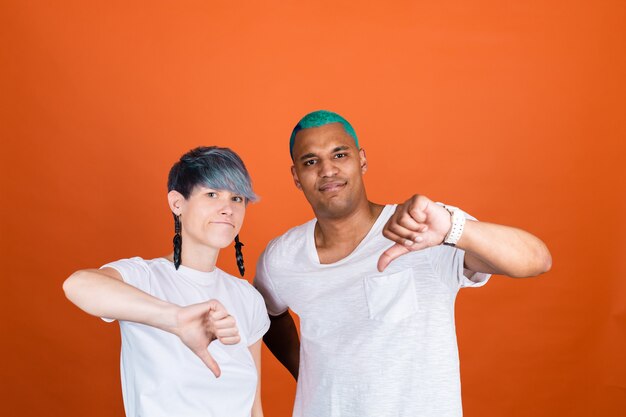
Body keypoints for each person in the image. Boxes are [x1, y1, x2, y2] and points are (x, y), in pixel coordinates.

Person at [254, 110, 552, 417]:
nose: (327, 170)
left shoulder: (424, 228)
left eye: (339, 154)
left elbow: (537, 260)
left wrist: (453, 228)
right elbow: (266, 315)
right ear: (296, 177)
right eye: (311, 161)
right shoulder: (282, 258)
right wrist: (305, 372)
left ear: (362, 160)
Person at [63, 146, 270, 417]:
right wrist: (176, 319)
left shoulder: (247, 297)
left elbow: (254, 408)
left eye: (237, 198)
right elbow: (77, 285)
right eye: (212, 194)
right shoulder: (144, 278)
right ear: (177, 203)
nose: (227, 209)